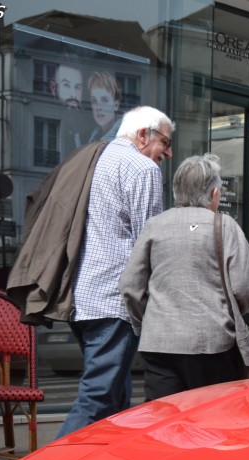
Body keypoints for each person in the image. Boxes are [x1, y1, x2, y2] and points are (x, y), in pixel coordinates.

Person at [56, 105, 173, 437]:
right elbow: (148, 242)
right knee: (97, 398)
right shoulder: (142, 168)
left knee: (117, 401)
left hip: (82, 296)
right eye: (164, 141)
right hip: (113, 300)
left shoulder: (95, 160)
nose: (168, 151)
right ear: (142, 135)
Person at [119, 153, 249, 401]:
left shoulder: (154, 226)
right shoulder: (226, 227)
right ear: (214, 194)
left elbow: (130, 286)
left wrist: (148, 322)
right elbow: (245, 288)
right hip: (212, 342)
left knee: (162, 422)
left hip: (159, 343)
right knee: (211, 420)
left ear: (176, 191)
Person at [50, 57, 92, 158]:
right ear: (53, 88)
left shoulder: (91, 133)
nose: (73, 95)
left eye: (77, 87)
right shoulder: (50, 127)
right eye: (66, 85)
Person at [85, 71, 122, 144]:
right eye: (94, 101)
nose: (98, 107)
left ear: (116, 105)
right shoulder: (93, 135)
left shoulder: (124, 136)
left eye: (104, 100)